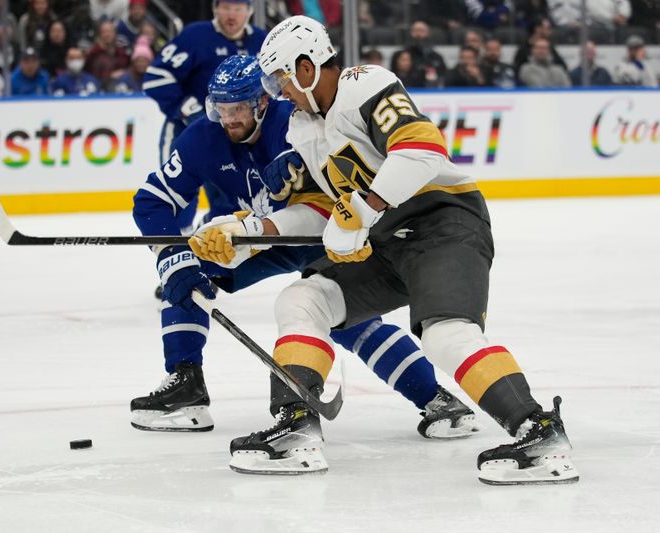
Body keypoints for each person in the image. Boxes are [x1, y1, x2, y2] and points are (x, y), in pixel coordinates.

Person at [204, 15, 579, 483]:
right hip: (386, 239)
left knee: (445, 334)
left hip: (442, 221)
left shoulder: (366, 85)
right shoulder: (304, 127)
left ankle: (538, 432)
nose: (280, 92)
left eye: (282, 78)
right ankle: (295, 427)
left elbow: (423, 150)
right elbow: (326, 210)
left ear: (306, 68)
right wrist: (250, 233)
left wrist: (362, 211)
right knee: (303, 299)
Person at [130, 55, 477, 452]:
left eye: (238, 108)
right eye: (220, 109)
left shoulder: (298, 121)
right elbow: (152, 201)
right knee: (188, 271)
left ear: (262, 102)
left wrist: (296, 187)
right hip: (255, 235)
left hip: (317, 231)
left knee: (345, 316)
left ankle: (435, 398)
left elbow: (339, 195)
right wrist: (169, 255)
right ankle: (186, 383)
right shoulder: (200, 139)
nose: (228, 119)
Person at [142, 0, 266, 166]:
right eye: (226, 8)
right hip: (187, 131)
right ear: (215, 9)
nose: (231, 15)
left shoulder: (261, 40)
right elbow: (156, 79)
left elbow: (273, 84)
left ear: (249, 11)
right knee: (171, 190)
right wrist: (187, 108)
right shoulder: (195, 36)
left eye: (238, 9)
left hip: (239, 137)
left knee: (236, 191)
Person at [85, 19, 129, 87]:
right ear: (99, 34)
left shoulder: (121, 52)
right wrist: (110, 76)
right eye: (104, 32)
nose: (107, 35)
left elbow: (126, 69)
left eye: (110, 31)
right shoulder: (93, 53)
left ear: (115, 33)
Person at [405, 20, 446, 88]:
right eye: (415, 31)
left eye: (421, 31)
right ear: (410, 33)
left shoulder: (437, 57)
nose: (418, 34)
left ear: (428, 33)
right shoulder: (403, 56)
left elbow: (443, 76)